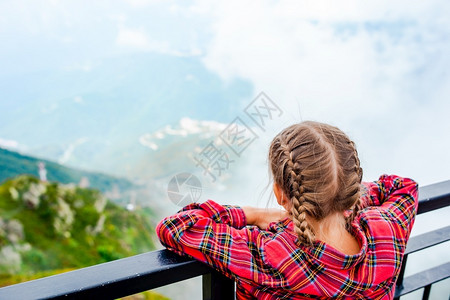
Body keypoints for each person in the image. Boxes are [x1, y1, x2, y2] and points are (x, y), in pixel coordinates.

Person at [156, 121, 419, 299]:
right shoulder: (387, 231)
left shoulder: (269, 255)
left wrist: (253, 215)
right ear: (352, 187)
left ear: (280, 194)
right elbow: (403, 187)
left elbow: (176, 226)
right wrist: (348, 201)